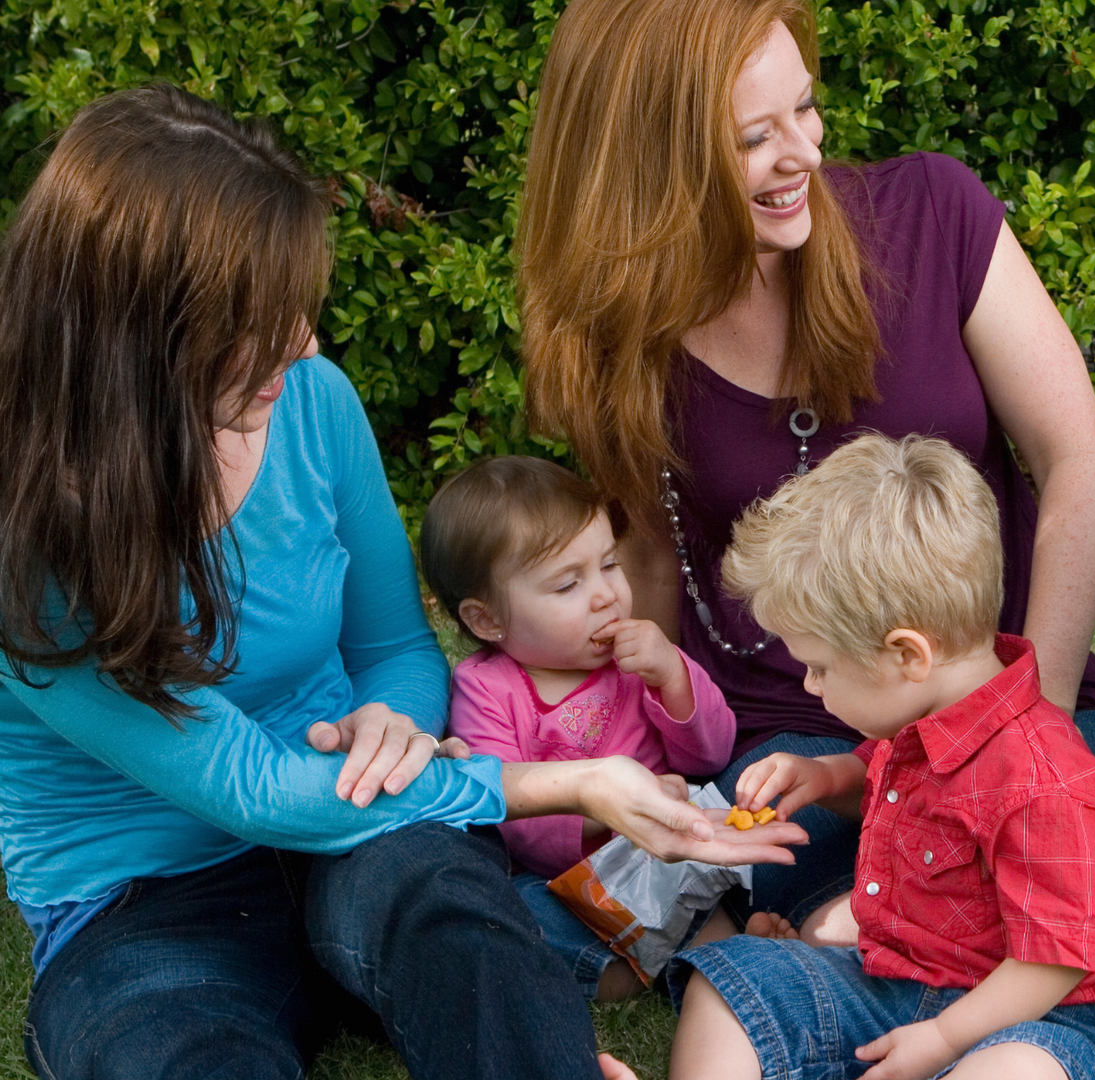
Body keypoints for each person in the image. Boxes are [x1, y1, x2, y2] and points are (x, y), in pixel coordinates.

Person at [0, 85, 798, 1080]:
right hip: (142, 903)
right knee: (183, 1057)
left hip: (364, 835)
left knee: (464, 935)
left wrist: (394, 715)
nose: (307, 342)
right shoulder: (31, 538)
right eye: (264, 317)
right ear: (145, 343)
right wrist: (571, 778)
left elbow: (393, 647)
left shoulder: (311, 404)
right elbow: (252, 790)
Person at [515, 0, 1095, 939]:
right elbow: (649, 560)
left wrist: (1032, 740)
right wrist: (655, 767)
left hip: (1013, 694)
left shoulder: (934, 213)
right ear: (651, 165)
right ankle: (850, 927)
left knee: (1040, 834)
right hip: (796, 726)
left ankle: (861, 927)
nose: (804, 155)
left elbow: (1078, 463)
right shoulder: (619, 331)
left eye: (805, 110)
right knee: (766, 843)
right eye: (752, 138)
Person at [666, 434, 1095, 1080]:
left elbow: (1057, 959)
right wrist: (826, 774)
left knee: (1015, 1073)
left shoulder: (1047, 783)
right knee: (730, 983)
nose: (809, 686)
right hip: (896, 975)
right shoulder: (921, 716)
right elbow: (886, 776)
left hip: (1031, 1012)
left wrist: (947, 1037)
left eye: (819, 667)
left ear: (909, 656)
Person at [424, 455, 776, 1001]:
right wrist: (602, 810)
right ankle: (681, 962)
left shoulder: (636, 659)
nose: (606, 593)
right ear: (487, 619)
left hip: (666, 858)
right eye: (568, 585)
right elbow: (508, 813)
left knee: (720, 853)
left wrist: (674, 678)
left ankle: (723, 952)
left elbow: (711, 753)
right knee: (515, 916)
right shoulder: (486, 687)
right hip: (565, 885)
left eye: (609, 565)